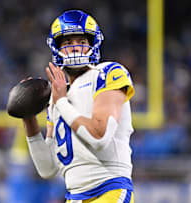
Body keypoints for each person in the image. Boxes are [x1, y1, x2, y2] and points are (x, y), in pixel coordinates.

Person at [22, 9, 135, 202]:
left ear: (93, 44)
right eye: (67, 43)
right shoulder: (57, 96)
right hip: (74, 197)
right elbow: (48, 168)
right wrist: (28, 117)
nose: (75, 48)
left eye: (82, 42)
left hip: (108, 190)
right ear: (56, 48)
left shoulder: (107, 73)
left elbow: (99, 137)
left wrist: (62, 102)